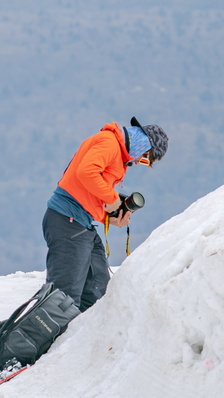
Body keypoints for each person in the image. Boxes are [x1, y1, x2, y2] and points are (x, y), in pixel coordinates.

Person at [42, 116, 168, 312]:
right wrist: (112, 199)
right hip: (67, 220)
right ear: (143, 143)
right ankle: (36, 341)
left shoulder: (116, 153)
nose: (140, 162)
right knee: (62, 299)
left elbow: (87, 193)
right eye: (146, 158)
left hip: (79, 222)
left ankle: (79, 338)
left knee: (97, 292)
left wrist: (109, 217)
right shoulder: (109, 143)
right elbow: (86, 173)